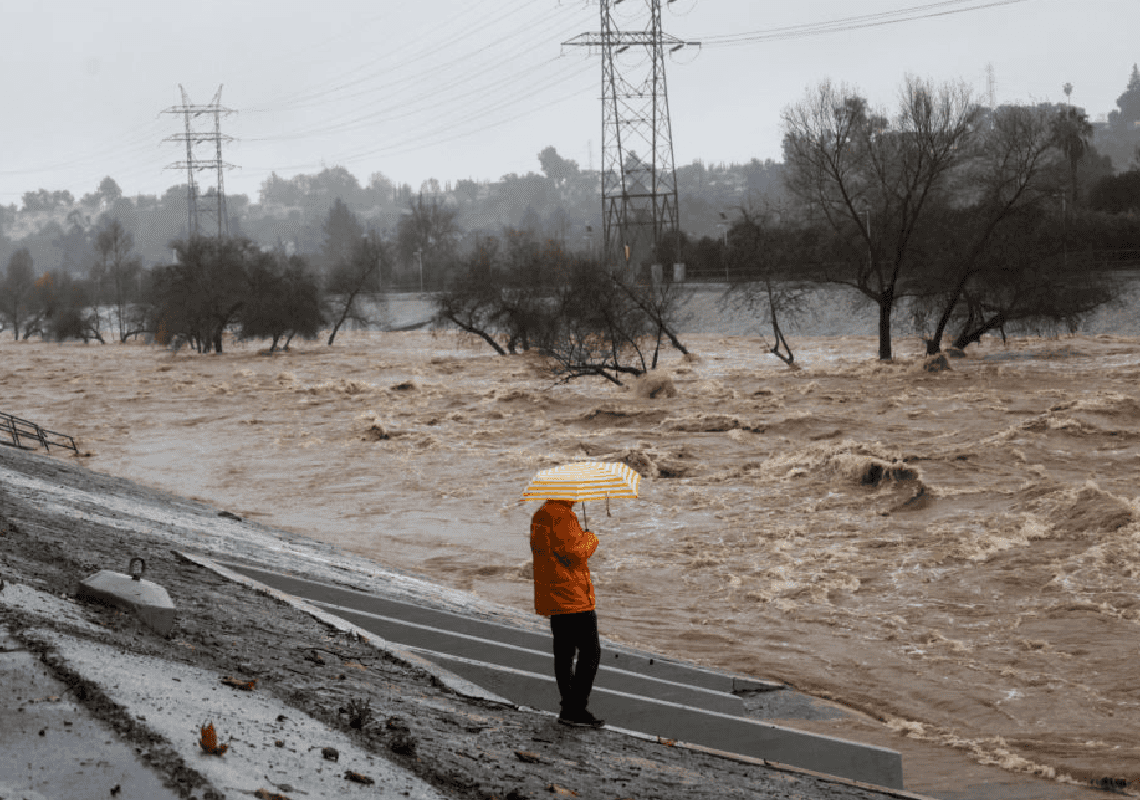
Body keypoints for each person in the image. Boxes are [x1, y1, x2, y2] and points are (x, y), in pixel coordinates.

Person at [530, 498, 605, 728]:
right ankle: (576, 708)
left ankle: (568, 707)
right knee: (590, 652)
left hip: (554, 595)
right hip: (572, 597)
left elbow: (549, 552)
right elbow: (573, 554)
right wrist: (590, 539)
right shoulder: (562, 516)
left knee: (564, 654)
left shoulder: (541, 515)